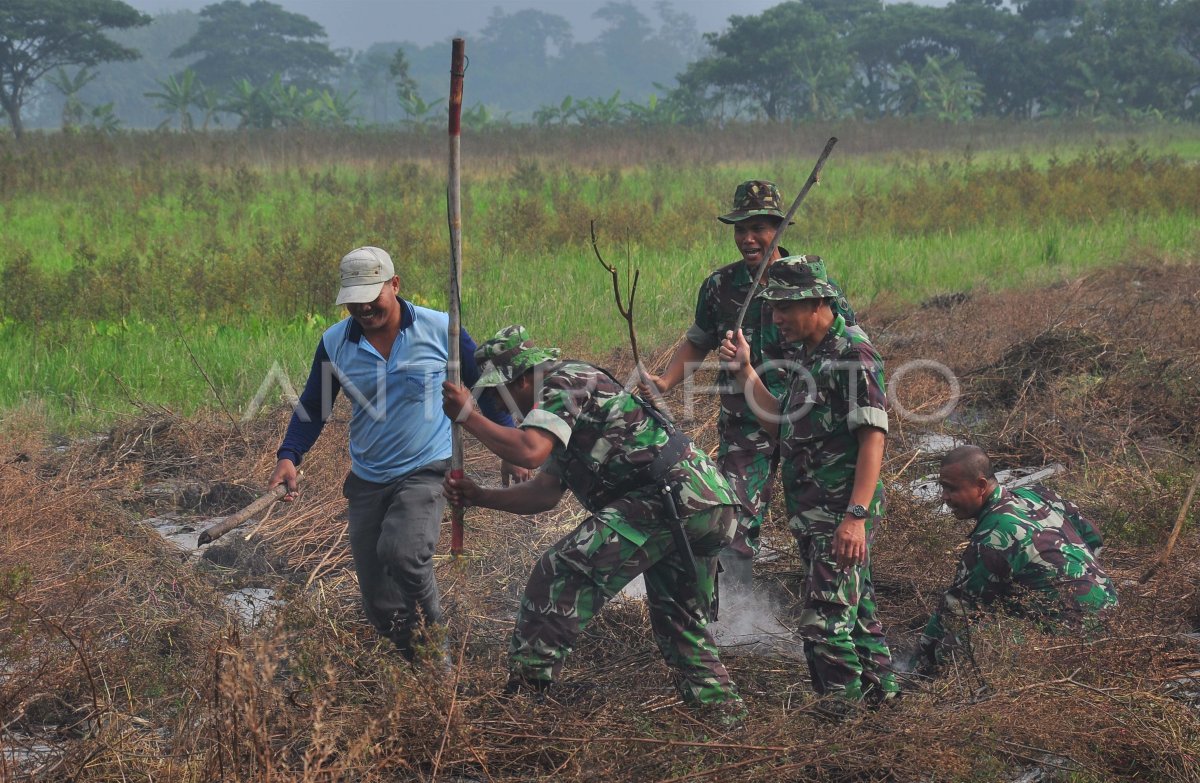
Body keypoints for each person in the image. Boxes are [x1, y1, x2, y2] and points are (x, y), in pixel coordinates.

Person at [441, 325, 744, 715]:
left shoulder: (564, 381)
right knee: (680, 625)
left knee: (559, 573)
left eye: (494, 396)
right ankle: (724, 716)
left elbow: (529, 452)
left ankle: (523, 702)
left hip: (670, 497)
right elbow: (545, 492)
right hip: (704, 504)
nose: (500, 407)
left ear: (515, 381)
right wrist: (481, 497)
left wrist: (466, 415)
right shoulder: (558, 411)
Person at [268, 245, 522, 662]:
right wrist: (289, 455)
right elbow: (315, 406)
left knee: (403, 553)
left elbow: (485, 389)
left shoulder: (442, 328)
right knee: (380, 605)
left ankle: (436, 650)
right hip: (368, 477)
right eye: (355, 300)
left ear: (395, 285)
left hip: (427, 467)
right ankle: (416, 670)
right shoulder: (336, 343)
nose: (364, 308)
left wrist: (508, 443)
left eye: (373, 295)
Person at [641, 180, 857, 588]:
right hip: (746, 428)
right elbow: (698, 340)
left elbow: (847, 345)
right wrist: (666, 382)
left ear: (780, 227)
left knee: (820, 524)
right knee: (731, 524)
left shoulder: (809, 284)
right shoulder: (720, 287)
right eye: (740, 229)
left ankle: (832, 607)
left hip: (807, 426)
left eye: (759, 228)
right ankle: (734, 609)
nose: (748, 238)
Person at [720, 256, 898, 713]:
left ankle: (842, 726)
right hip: (815, 514)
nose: (776, 319)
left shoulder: (852, 354)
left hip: (841, 514)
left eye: (784, 308)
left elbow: (872, 439)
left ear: (817, 301)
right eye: (772, 309)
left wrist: (855, 518)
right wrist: (745, 372)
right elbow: (782, 423)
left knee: (824, 625)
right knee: (857, 616)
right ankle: (886, 709)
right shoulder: (807, 353)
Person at [914, 445, 1118, 670]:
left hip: (1074, 644)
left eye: (951, 489)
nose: (945, 498)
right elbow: (1094, 538)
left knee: (954, 642)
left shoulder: (993, 538)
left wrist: (917, 661)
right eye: (942, 488)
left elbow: (954, 609)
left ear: (981, 486)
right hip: (1116, 617)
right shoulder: (1038, 493)